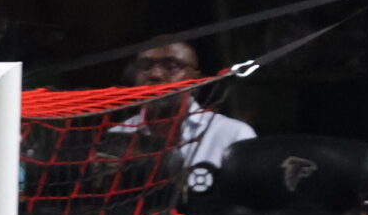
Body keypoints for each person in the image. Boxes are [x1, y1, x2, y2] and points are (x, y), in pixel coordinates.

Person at [104, 38, 255, 187]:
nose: (155, 75)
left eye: (171, 66)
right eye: (145, 66)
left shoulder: (233, 134)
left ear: (195, 79)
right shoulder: (116, 137)